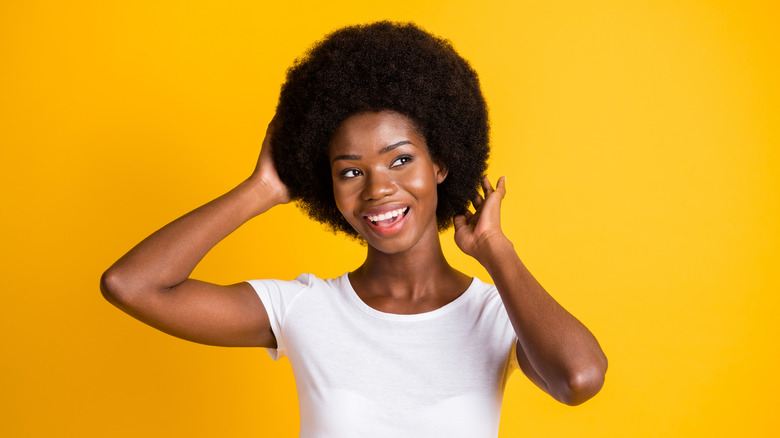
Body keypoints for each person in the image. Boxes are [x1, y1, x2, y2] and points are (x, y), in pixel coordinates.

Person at [101, 21, 607, 438]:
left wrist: (495, 249)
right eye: (350, 170)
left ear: (441, 165)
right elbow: (131, 285)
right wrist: (262, 189)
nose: (377, 189)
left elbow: (579, 378)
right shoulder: (304, 309)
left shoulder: (498, 316)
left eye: (400, 160)